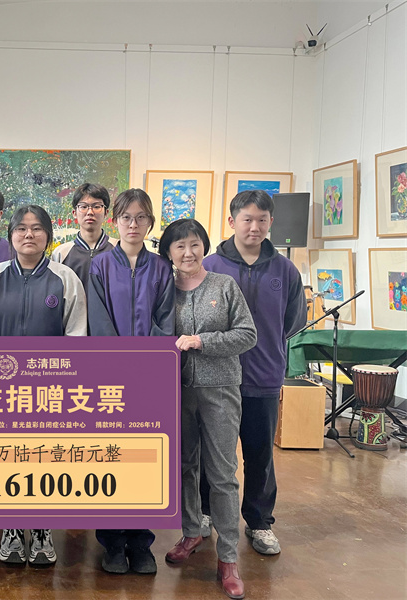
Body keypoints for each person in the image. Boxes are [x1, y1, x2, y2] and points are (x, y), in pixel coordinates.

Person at [0, 204, 86, 566]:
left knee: (44, 456)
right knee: (6, 456)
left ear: (48, 236)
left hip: (48, 389)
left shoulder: (65, 278)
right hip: (1, 388)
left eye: (37, 228)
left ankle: (41, 529)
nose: (29, 235)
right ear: (10, 236)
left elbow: (76, 334)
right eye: (21, 228)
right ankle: (10, 527)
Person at [201, 190, 307, 556]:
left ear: (271, 222)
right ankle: (204, 513)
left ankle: (260, 522)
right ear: (232, 221)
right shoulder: (210, 265)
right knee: (212, 453)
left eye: (262, 220)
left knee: (260, 455)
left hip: (263, 377)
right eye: (247, 219)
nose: (255, 227)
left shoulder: (285, 270)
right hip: (216, 377)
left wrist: (267, 348)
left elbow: (293, 321)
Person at [159, 219, 257, 600]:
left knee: (222, 474)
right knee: (184, 466)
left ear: (204, 246)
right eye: (179, 246)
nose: (188, 252)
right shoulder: (163, 289)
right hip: (177, 391)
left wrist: (203, 341)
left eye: (194, 244)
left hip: (220, 391)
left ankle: (228, 558)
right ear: (168, 252)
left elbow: (248, 335)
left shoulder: (224, 286)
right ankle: (191, 532)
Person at [86, 188, 175, 575]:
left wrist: (148, 361)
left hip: (150, 375)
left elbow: (166, 319)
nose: (133, 224)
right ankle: (112, 542)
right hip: (110, 376)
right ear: (115, 221)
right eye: (126, 217)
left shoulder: (161, 268)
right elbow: (97, 318)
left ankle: (140, 542)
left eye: (141, 217)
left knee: (144, 459)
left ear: (150, 222)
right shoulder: (100, 265)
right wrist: (118, 362)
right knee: (110, 455)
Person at [51, 182, 117, 292]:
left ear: (106, 213)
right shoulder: (60, 253)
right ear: (74, 213)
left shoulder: (119, 249)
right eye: (84, 207)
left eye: (97, 206)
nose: (90, 212)